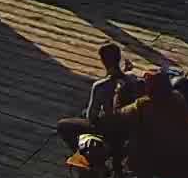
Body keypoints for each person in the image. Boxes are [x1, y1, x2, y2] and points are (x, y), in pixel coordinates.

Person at [55, 42, 139, 170]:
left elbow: (91, 117)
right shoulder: (132, 78)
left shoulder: (100, 86)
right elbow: (124, 80)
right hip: (128, 129)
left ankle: (88, 158)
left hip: (109, 131)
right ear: (119, 58)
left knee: (63, 125)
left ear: (103, 61)